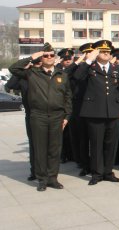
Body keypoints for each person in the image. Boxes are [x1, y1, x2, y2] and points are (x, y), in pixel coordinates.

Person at [10, 43, 72, 191]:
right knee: (40, 148)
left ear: (55, 57)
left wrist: (67, 116)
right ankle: (42, 179)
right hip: (38, 115)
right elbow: (14, 68)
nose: (49, 57)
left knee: (54, 149)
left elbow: (68, 97)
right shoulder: (32, 73)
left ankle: (52, 178)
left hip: (57, 116)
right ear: (41, 57)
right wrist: (33, 56)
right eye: (45, 55)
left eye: (51, 55)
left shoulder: (62, 75)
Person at [74, 40, 119, 185]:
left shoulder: (115, 69)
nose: (106, 54)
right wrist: (88, 59)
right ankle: (97, 173)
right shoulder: (89, 67)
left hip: (113, 112)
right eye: (102, 51)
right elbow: (77, 77)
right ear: (97, 53)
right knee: (96, 144)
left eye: (108, 52)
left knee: (111, 144)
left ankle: (108, 172)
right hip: (95, 112)